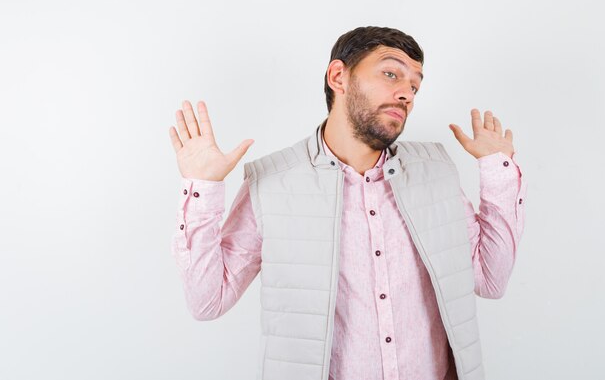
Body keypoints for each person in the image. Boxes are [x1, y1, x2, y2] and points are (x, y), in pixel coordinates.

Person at [168, 26, 527, 380]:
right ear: (338, 77)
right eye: (391, 74)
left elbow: (490, 279)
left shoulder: (436, 172)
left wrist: (498, 170)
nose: (407, 94)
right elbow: (207, 300)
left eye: (415, 86)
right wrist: (203, 185)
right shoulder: (272, 182)